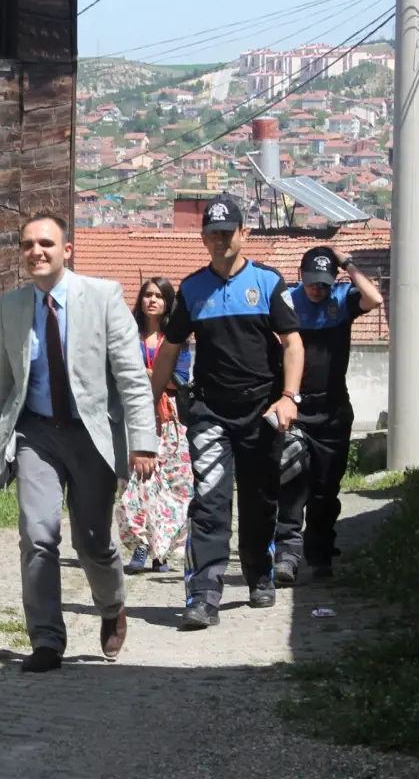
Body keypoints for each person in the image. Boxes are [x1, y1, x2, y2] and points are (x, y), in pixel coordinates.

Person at [0, 212, 158, 671]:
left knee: (93, 541)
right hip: (36, 433)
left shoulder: (101, 296)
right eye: (27, 245)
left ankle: (113, 605)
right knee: (38, 534)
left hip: (92, 434)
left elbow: (132, 377)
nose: (36, 251)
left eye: (46, 244)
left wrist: (143, 440)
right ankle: (46, 640)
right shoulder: (12, 306)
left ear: (66, 250)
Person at [149, 194, 304, 631]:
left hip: (262, 412)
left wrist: (289, 397)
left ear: (243, 234)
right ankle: (203, 595)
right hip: (211, 412)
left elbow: (292, 342)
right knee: (211, 503)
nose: (219, 240)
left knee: (258, 499)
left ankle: (259, 573)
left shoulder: (269, 283)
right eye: (212, 234)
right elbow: (170, 350)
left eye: (227, 232)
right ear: (204, 239)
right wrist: (149, 401)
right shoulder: (193, 289)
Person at [273, 246, 383, 584]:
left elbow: (375, 299)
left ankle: (320, 555)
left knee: (324, 488)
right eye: (311, 283)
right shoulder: (287, 301)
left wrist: (346, 263)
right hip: (295, 408)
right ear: (302, 278)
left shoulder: (342, 300)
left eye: (323, 283)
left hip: (333, 410)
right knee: (291, 483)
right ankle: (286, 557)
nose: (317, 290)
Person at [119, 278, 194, 574]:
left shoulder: (177, 341)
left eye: (158, 296)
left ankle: (162, 550)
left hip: (170, 419)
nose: (151, 300)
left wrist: (153, 374)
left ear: (167, 303)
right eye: (147, 295)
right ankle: (140, 544)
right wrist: (151, 376)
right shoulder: (127, 337)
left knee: (174, 486)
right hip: (135, 416)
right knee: (135, 484)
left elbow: (180, 379)